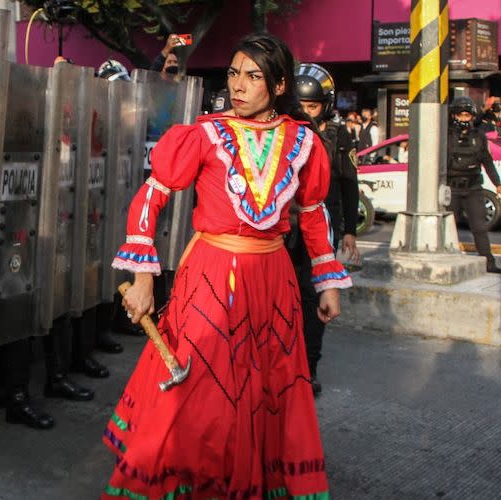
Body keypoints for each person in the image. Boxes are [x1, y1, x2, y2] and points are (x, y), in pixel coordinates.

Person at [105, 33, 349, 499]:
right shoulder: (204, 134)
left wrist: (327, 282)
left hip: (273, 281)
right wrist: (141, 278)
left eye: (253, 76)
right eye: (234, 73)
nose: (238, 85)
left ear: (279, 86)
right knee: (197, 391)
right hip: (211, 278)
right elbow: (150, 197)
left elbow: (314, 214)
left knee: (264, 392)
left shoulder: (304, 142)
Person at [293, 62, 361, 396]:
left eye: (312, 106)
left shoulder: (338, 135)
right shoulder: (282, 130)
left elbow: (350, 183)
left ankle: (309, 367)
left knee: (314, 296)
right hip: (284, 228)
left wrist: (350, 230)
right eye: (300, 105)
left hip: (322, 227)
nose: (305, 112)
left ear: (326, 106)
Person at [446, 96, 501, 274]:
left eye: (467, 116)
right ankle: (448, 260)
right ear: (454, 116)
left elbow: (487, 161)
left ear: (472, 116)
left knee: (479, 227)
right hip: (451, 188)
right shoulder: (446, 136)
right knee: (448, 227)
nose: (463, 119)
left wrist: (498, 184)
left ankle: (489, 263)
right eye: (460, 115)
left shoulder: (479, 136)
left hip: (473, 188)